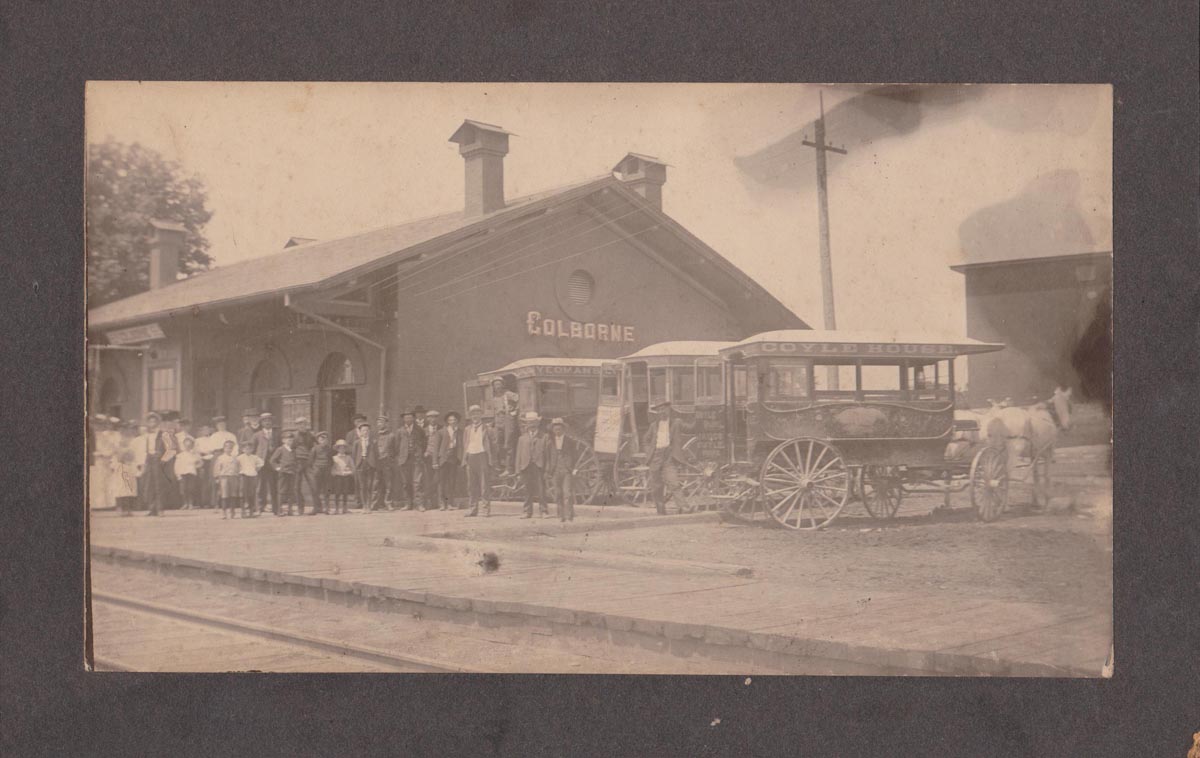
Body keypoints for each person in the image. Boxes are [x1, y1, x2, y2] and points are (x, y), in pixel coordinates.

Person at [643, 400, 694, 515]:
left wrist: (700, 418)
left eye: (664, 409)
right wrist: (649, 453)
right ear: (657, 412)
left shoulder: (676, 423)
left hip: (668, 457)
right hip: (655, 457)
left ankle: (684, 508)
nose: (662, 412)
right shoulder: (653, 426)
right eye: (659, 410)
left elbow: (690, 428)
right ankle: (661, 510)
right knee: (656, 486)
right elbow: (645, 440)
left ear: (668, 410)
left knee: (674, 482)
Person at [135, 412, 177, 516]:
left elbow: (172, 449)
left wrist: (163, 460)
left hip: (159, 461)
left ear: (158, 422)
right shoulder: (146, 436)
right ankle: (152, 508)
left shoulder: (164, 434)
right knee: (149, 484)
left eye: (154, 421)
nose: (152, 423)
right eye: (150, 421)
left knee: (159, 485)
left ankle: (160, 508)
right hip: (149, 460)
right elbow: (143, 449)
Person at [462, 404, 495, 517]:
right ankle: (473, 509)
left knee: (484, 484)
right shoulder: (467, 429)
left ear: (481, 414)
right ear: (470, 416)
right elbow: (465, 444)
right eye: (473, 413)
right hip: (471, 457)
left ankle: (485, 509)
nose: (475, 416)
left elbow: (494, 445)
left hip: (482, 457)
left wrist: (491, 459)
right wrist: (465, 458)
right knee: (471, 485)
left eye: (477, 413)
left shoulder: (487, 428)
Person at [515, 411, 549, 519]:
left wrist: (547, 469)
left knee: (541, 490)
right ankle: (527, 511)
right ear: (526, 424)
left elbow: (548, 455)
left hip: (539, 466)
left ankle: (543, 511)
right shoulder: (522, 438)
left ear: (538, 423)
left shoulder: (544, 437)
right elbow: (518, 455)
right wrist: (518, 470)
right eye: (529, 422)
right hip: (526, 466)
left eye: (534, 422)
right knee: (527, 490)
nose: (532, 425)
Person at [547, 418, 580, 522]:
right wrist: (548, 470)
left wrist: (574, 468)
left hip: (567, 470)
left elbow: (575, 456)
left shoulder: (570, 441)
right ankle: (561, 515)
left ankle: (569, 515)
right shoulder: (550, 442)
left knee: (567, 493)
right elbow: (547, 457)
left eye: (559, 429)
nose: (557, 431)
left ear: (563, 430)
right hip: (555, 470)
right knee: (557, 493)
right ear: (553, 430)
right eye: (555, 429)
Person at [430, 411, 462, 511]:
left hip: (453, 459)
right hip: (443, 459)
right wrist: (435, 461)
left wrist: (460, 459)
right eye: (450, 420)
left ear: (457, 421)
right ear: (447, 421)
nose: (452, 422)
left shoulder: (459, 432)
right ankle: (442, 503)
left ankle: (450, 503)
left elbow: (461, 446)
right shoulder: (441, 432)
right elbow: (436, 448)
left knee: (452, 482)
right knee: (441, 482)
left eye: (454, 420)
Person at [395, 410, 426, 510]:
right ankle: (408, 504)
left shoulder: (419, 430)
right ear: (403, 419)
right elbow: (397, 446)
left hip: (416, 459)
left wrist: (420, 453)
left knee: (418, 482)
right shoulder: (399, 431)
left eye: (410, 417)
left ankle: (419, 504)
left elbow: (424, 443)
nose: (408, 419)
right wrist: (399, 457)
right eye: (406, 417)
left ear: (413, 418)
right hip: (404, 460)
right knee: (406, 482)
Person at [205, 416, 238, 509]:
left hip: (229, 455)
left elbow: (235, 447)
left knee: (229, 479)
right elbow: (209, 448)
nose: (221, 426)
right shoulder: (214, 436)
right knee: (216, 479)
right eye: (219, 424)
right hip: (217, 455)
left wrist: (233, 456)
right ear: (217, 426)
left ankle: (229, 503)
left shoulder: (231, 435)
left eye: (223, 424)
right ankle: (215, 502)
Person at [489, 378, 520, 474]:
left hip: (507, 420)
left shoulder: (508, 394)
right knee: (497, 444)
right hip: (497, 421)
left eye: (499, 384)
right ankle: (500, 466)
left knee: (508, 444)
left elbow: (521, 399)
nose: (497, 386)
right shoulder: (493, 397)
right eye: (495, 384)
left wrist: (514, 410)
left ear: (502, 385)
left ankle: (509, 468)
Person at [253, 412, 281, 516]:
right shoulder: (257, 435)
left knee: (274, 486)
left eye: (269, 420)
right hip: (262, 463)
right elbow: (253, 449)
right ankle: (259, 507)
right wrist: (255, 463)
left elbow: (280, 448)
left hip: (273, 463)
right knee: (261, 486)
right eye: (265, 421)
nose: (267, 422)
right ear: (261, 423)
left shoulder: (277, 433)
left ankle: (276, 508)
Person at [111, 421, 141, 516]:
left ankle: (128, 508)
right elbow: (114, 453)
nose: (123, 430)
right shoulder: (115, 439)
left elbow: (134, 453)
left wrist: (129, 456)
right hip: (119, 465)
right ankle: (120, 508)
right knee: (120, 487)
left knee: (129, 487)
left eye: (126, 428)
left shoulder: (132, 439)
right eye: (121, 428)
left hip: (129, 464)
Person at [350, 421, 378, 512]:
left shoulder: (373, 441)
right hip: (360, 464)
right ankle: (364, 506)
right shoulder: (357, 443)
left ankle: (369, 506)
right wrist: (355, 466)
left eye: (367, 430)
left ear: (369, 431)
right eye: (363, 431)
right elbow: (354, 456)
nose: (365, 432)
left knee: (369, 485)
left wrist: (374, 464)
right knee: (362, 486)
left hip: (370, 464)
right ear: (360, 432)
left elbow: (376, 454)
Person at [271, 431, 300, 516]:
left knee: (291, 491)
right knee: (281, 491)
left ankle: (290, 510)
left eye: (291, 440)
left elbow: (295, 460)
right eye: (288, 439)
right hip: (283, 473)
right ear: (283, 440)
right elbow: (272, 460)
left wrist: (296, 468)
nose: (290, 441)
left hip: (292, 473)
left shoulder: (293, 450)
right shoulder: (280, 449)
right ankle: (279, 510)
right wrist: (278, 468)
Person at [292, 417, 318, 513]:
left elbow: (316, 446)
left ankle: (316, 507)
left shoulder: (311, 435)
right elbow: (291, 448)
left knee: (313, 484)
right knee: (296, 486)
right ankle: (300, 507)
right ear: (296, 426)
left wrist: (312, 459)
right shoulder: (294, 436)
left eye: (304, 424)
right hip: (297, 462)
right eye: (299, 424)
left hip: (308, 462)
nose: (302, 426)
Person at [373, 414, 398, 511]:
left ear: (386, 424)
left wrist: (390, 459)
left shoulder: (391, 435)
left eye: (382, 422)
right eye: (378, 422)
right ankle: (374, 503)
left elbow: (395, 450)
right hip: (377, 463)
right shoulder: (374, 435)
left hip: (387, 463)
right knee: (376, 483)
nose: (379, 424)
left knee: (389, 484)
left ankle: (388, 503)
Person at [212, 439, 240, 519]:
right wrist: (217, 477)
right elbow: (217, 468)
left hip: (233, 477)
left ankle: (232, 511)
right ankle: (224, 512)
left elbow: (237, 468)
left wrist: (237, 475)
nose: (229, 449)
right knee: (224, 495)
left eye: (231, 448)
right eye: (227, 448)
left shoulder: (235, 458)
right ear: (224, 448)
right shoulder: (220, 458)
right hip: (224, 477)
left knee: (233, 495)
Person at [236, 441, 264, 518]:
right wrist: (239, 471)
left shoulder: (254, 457)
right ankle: (243, 511)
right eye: (246, 449)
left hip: (252, 476)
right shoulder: (240, 457)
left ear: (252, 449)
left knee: (251, 493)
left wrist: (257, 469)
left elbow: (261, 463)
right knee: (243, 493)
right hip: (243, 476)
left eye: (249, 449)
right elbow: (236, 464)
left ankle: (251, 511)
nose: (248, 450)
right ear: (243, 449)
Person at [174, 437, 203, 510]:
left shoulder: (195, 454)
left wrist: (195, 465)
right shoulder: (180, 455)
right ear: (184, 445)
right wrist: (178, 475)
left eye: (189, 445)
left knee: (191, 489)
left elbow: (201, 463)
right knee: (183, 489)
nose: (188, 447)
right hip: (183, 473)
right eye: (186, 445)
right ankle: (185, 503)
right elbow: (176, 466)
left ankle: (191, 503)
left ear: (192, 446)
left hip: (191, 473)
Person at [309, 431, 333, 515]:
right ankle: (316, 508)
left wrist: (328, 468)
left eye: (325, 439)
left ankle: (327, 508)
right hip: (317, 471)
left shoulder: (329, 449)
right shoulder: (314, 449)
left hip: (326, 471)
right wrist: (315, 469)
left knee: (326, 490)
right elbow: (311, 461)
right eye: (321, 439)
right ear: (318, 440)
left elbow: (331, 460)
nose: (323, 441)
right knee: (316, 490)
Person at [422, 410, 441, 509]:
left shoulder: (442, 429)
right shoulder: (424, 430)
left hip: (438, 458)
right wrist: (424, 452)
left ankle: (437, 502)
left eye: (435, 417)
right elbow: (421, 444)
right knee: (428, 479)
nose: (433, 419)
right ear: (427, 419)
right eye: (430, 417)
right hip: (428, 458)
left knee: (437, 479)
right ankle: (428, 502)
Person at [330, 440, 355, 514]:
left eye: (343, 448)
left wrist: (348, 472)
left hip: (346, 477)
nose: (342, 450)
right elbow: (332, 469)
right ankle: (337, 508)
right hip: (338, 477)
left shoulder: (348, 458)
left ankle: (345, 508)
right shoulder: (334, 458)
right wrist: (335, 473)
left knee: (345, 492)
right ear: (337, 449)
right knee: (337, 493)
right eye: (340, 448)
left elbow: (353, 468)